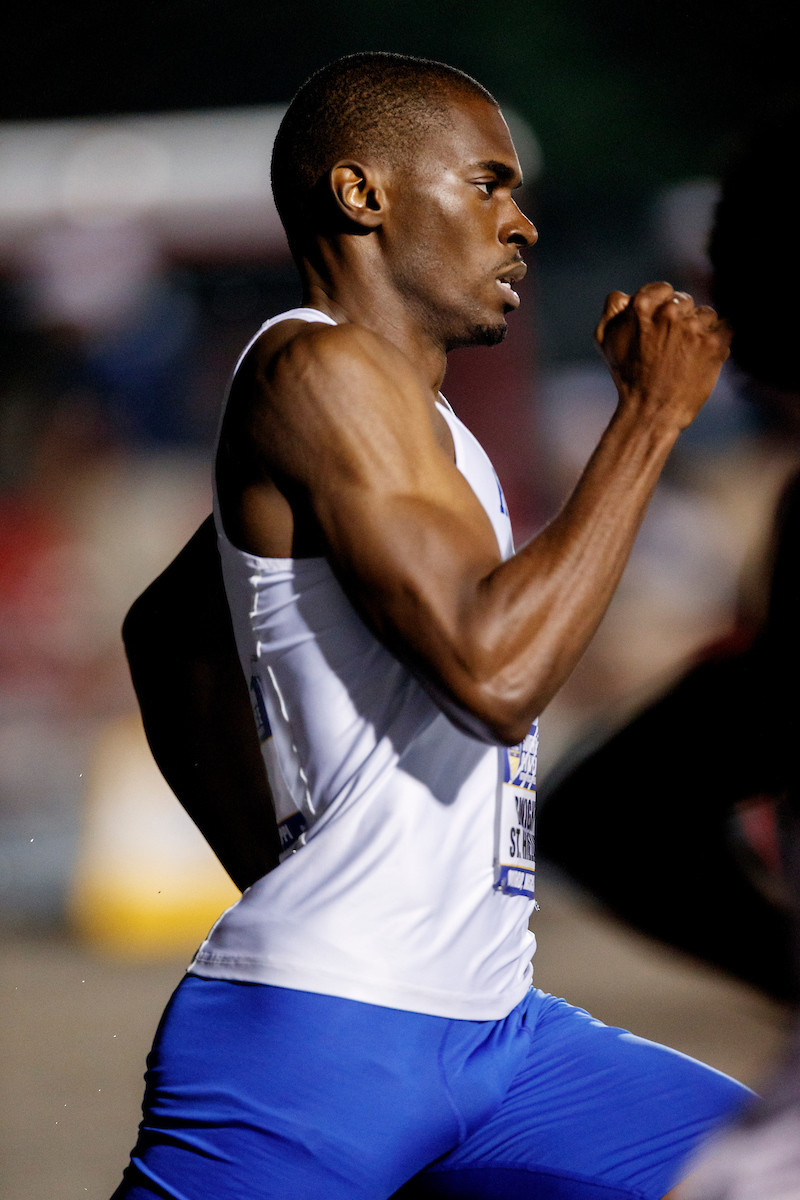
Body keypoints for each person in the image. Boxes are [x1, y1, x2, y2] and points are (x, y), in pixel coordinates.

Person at [113, 52, 749, 1200]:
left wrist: (296, 865)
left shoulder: (412, 423)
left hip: (499, 1037)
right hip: (325, 1046)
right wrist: (648, 419)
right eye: (488, 186)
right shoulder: (319, 367)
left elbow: (165, 633)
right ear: (364, 195)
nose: (523, 227)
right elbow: (494, 671)